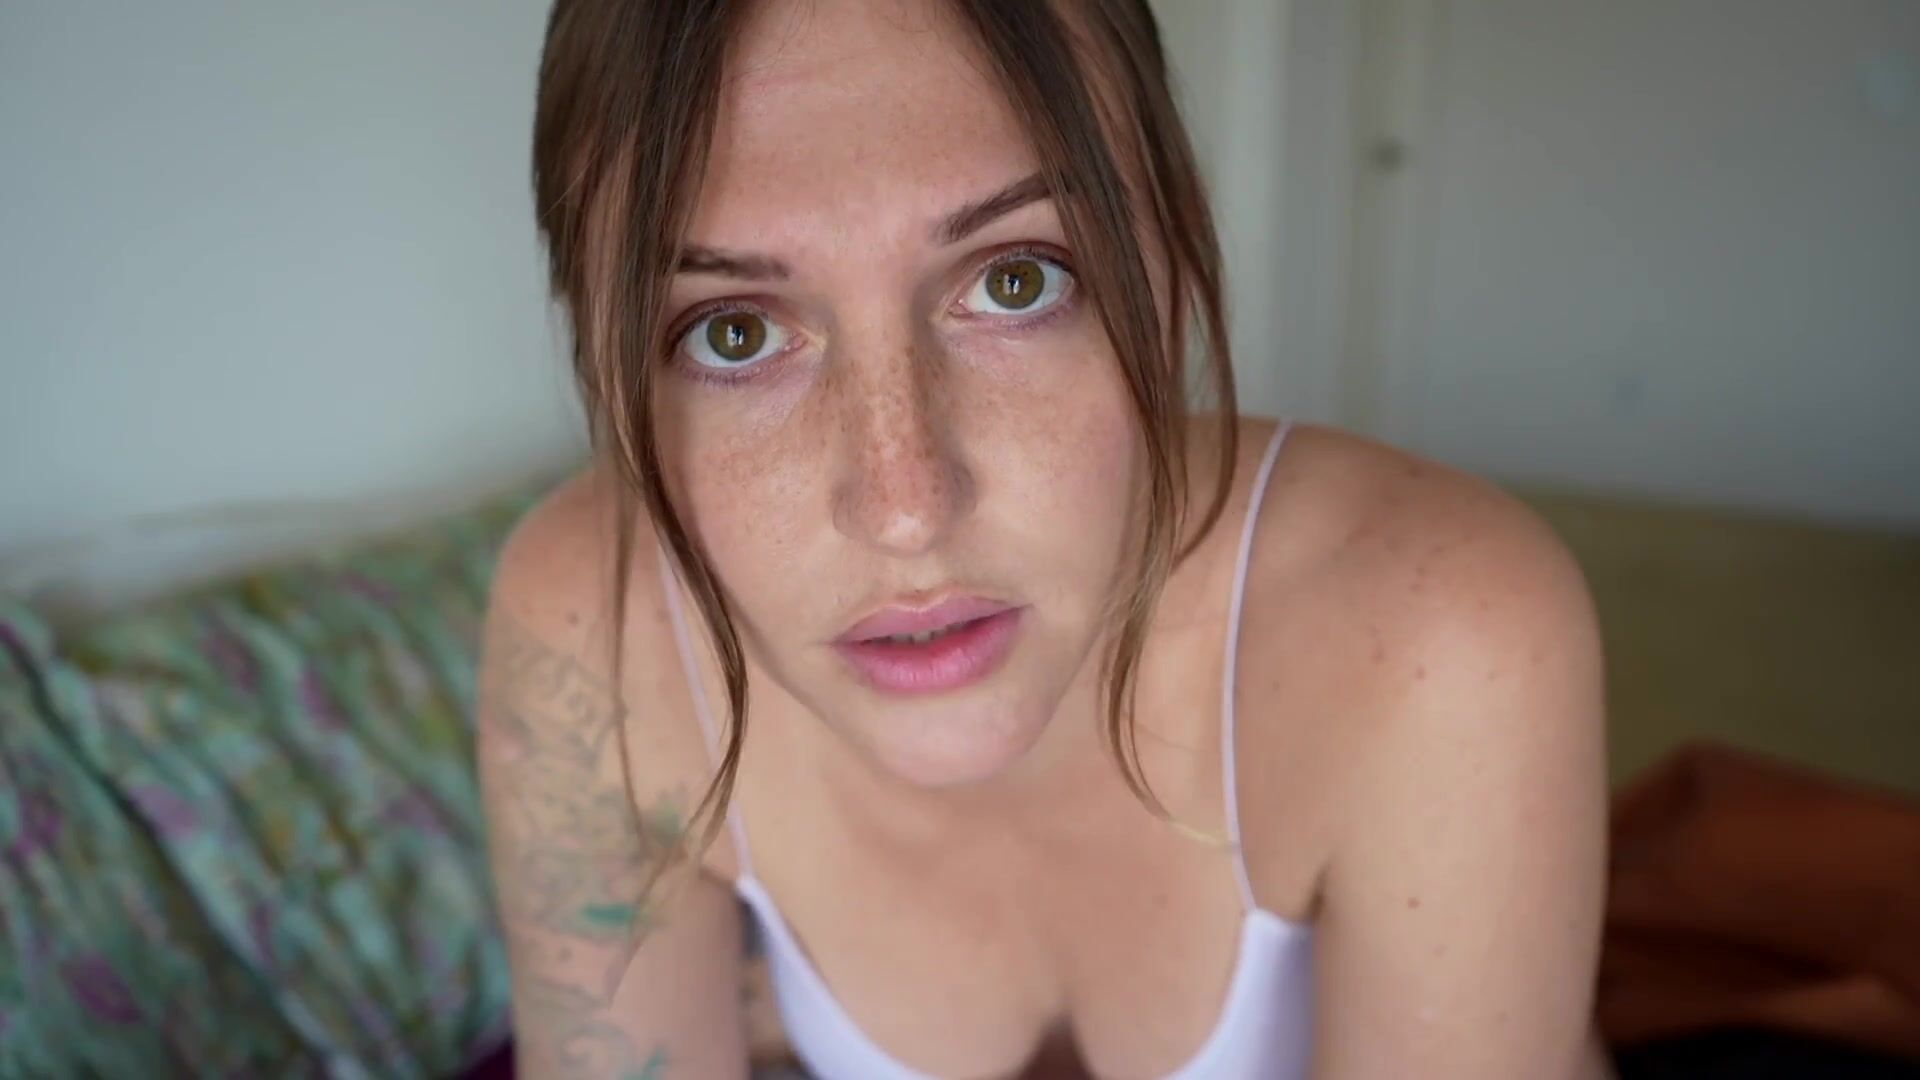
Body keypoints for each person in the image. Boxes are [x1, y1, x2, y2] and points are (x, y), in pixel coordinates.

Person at [476, 1, 1613, 1076]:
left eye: (1017, 281)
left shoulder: (1437, 632)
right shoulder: (594, 618)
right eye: (732, 334)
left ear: (1175, 259)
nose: (908, 508)